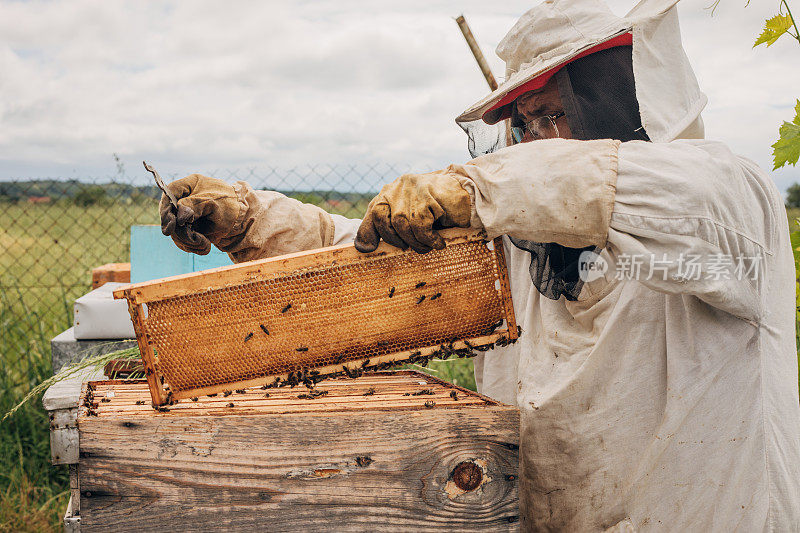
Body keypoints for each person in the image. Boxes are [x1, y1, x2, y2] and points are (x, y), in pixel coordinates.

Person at [160, 0, 800, 530]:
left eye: (552, 114)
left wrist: (477, 187)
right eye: (523, 125)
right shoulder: (518, 240)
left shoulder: (730, 200)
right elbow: (368, 260)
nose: (535, 142)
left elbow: (614, 186)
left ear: (623, 99)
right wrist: (253, 221)